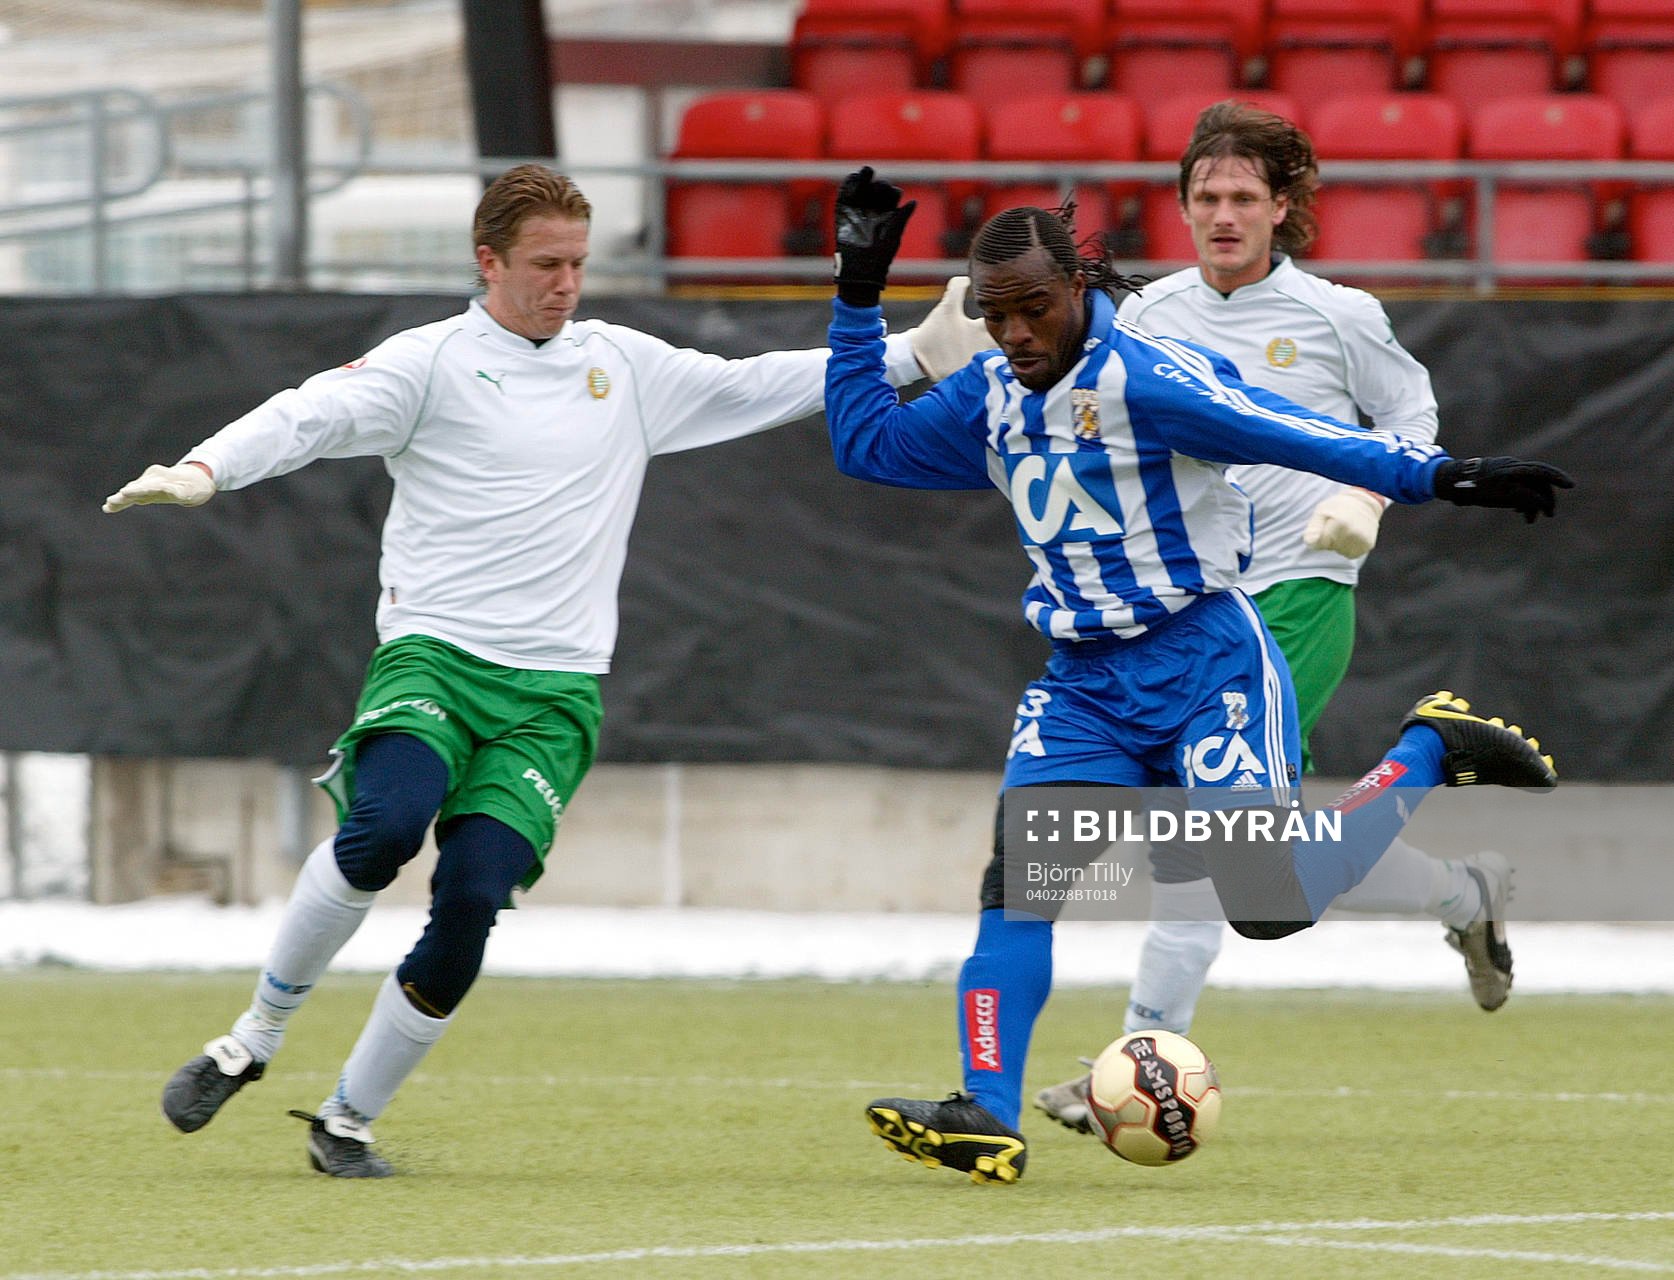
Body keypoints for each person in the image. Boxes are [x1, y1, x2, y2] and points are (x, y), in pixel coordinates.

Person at [103, 163, 986, 1178]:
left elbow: (756, 386)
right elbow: (307, 414)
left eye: (578, 262)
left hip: (555, 692)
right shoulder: (429, 362)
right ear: (490, 262)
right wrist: (205, 467)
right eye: (545, 265)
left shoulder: (622, 367)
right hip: (435, 651)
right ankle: (252, 1037)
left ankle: (347, 1117)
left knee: (473, 892)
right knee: (387, 824)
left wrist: (914, 353)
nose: (567, 283)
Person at [821, 167, 1571, 1184]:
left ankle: (1428, 748)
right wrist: (857, 293)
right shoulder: (989, 393)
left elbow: (1293, 432)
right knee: (1022, 888)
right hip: (1084, 685)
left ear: (1080, 283)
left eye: (1034, 306)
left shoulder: (1152, 379)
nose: (1016, 334)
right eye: (996, 315)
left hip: (1207, 662)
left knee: (1264, 904)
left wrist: (1443, 474)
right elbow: (863, 441)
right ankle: (986, 1110)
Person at [1032, 100, 1516, 1135]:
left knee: (1225, 853)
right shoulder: (1150, 316)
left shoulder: (1340, 315)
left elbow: (1413, 418)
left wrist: (1369, 496)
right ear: (1183, 205)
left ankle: (1139, 1053)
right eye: (1205, 196)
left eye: (1243, 196)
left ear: (1282, 208)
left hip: (1298, 593)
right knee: (1226, 856)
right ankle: (1459, 893)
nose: (1221, 213)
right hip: (1192, 608)